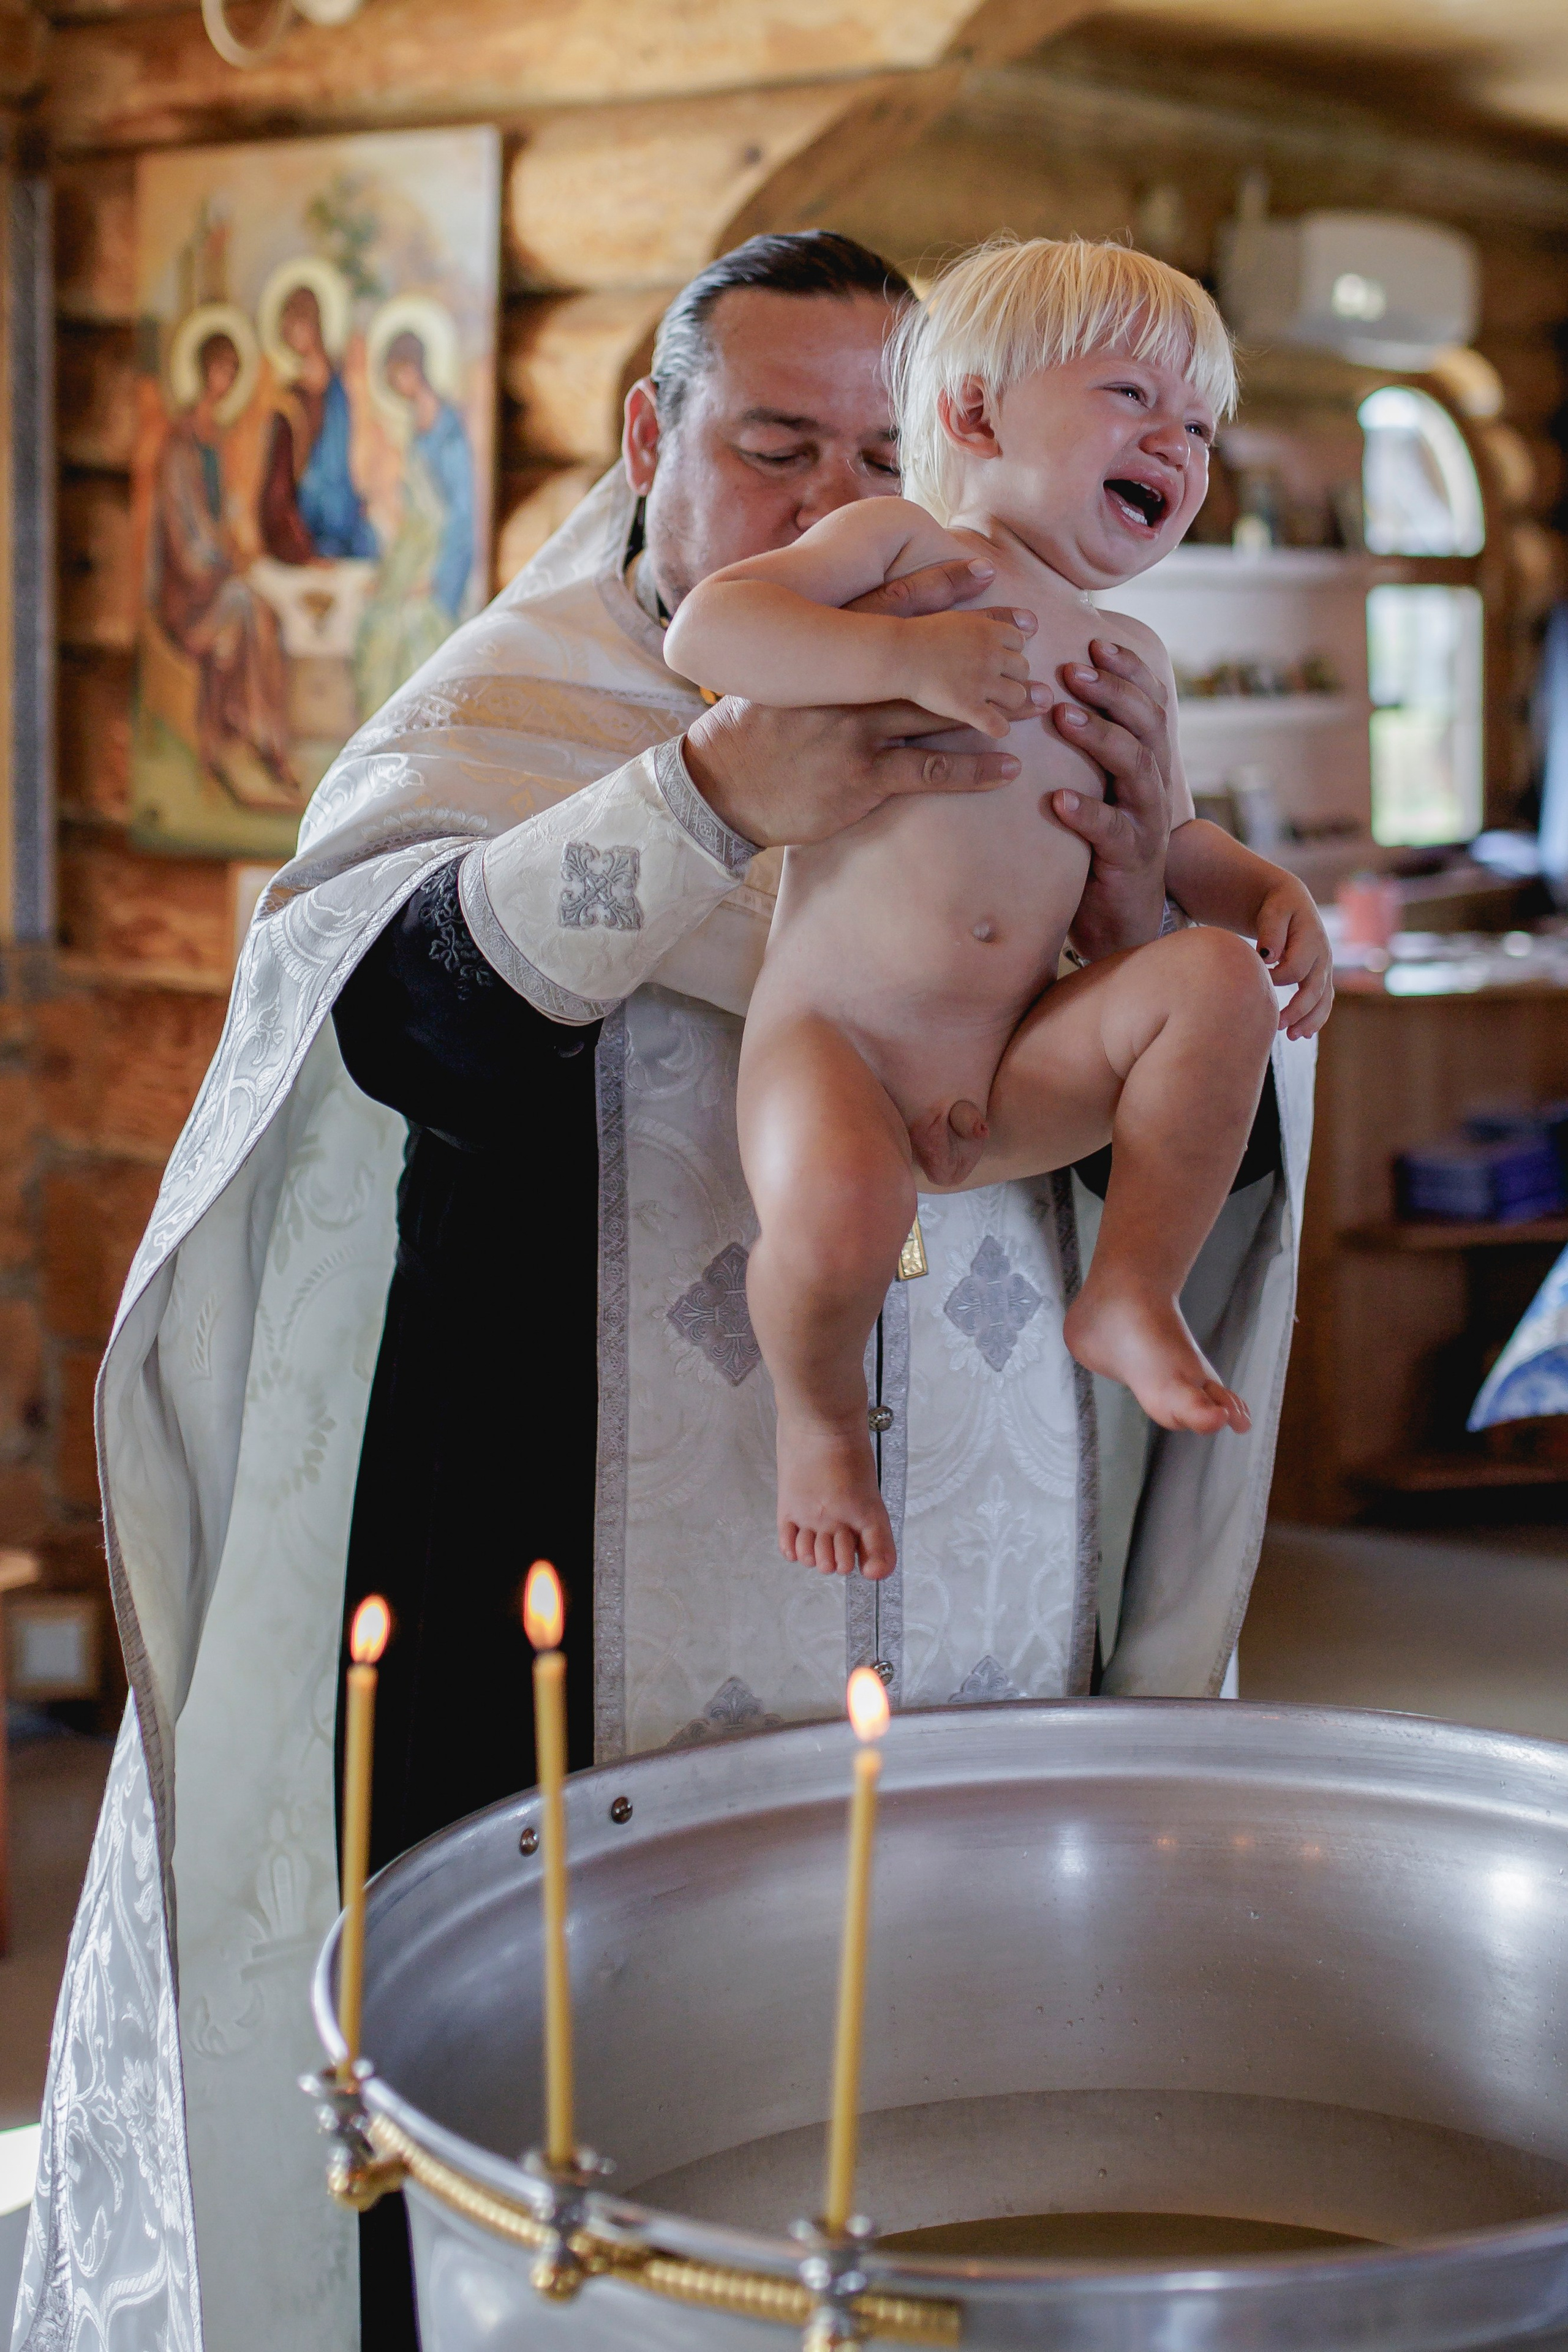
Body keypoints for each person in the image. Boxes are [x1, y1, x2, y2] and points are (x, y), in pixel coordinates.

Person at [13, 234, 1313, 2352]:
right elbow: (373, 1044)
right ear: (651, 438)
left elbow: (1203, 1086)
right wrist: (709, 799)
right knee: (588, 2207)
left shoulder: (1031, 652)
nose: (831, 504)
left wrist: (1154, 846)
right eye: (775, 444)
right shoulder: (518, 716)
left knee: (959, 2133)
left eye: (877, 451)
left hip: (981, 1614)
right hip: (568, 1619)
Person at [666, 238, 1332, 1578]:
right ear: (972, 415)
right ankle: (817, 1421)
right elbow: (710, 637)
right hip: (838, 1045)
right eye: (1133, 400)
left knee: (1212, 980)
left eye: (1197, 426)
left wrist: (1260, 891)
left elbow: (1170, 835)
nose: (1178, 445)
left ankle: (1128, 1292)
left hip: (1011, 1069)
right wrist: (900, 652)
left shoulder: (1126, 651)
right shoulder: (901, 548)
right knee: (841, 1216)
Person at [149, 326, 297, 799]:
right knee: (244, 608)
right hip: (186, 592)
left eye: (233, 371)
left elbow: (218, 521)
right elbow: (182, 538)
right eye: (219, 369)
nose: (225, 380)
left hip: (214, 581)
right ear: (201, 371)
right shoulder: (179, 444)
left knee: (264, 613)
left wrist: (236, 551)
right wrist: (222, 564)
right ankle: (256, 742)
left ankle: (257, 739)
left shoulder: (217, 439)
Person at [353, 326, 475, 715]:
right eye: (393, 379)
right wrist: (389, 571)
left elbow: (462, 511)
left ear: (417, 367)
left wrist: (438, 575)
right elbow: (411, 511)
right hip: (413, 546)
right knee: (376, 621)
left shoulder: (450, 427)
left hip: (443, 551)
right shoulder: (414, 425)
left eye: (401, 374)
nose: (399, 385)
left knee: (412, 625)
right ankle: (374, 728)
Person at [260, 279, 379, 564]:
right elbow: (280, 481)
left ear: (314, 325)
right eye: (287, 328)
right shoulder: (289, 400)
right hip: (303, 519)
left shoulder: (338, 390)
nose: (292, 334)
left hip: (343, 514)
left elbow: (347, 460)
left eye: (298, 324)